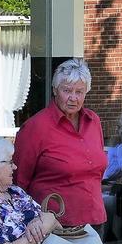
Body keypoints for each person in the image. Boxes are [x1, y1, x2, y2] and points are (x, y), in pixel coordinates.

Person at [14, 58, 108, 228]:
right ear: (55, 90)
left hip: (94, 218)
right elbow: (19, 181)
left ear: (86, 92)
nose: (73, 98)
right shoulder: (36, 126)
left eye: (79, 92)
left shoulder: (93, 121)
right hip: (54, 224)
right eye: (67, 90)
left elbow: (97, 170)